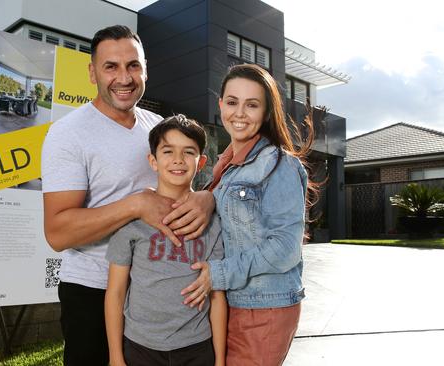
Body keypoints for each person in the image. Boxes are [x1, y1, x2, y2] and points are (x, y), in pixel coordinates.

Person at [41, 25, 215, 366]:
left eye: (133, 65)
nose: (124, 77)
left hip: (153, 293)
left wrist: (207, 199)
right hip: (93, 291)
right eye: (111, 66)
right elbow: (58, 233)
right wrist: (136, 204)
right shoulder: (67, 134)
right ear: (92, 73)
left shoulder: (159, 127)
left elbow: (187, 188)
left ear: (146, 69)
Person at [181, 63, 317, 366]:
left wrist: (218, 274)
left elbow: (286, 248)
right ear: (220, 105)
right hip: (231, 304)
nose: (239, 113)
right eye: (232, 102)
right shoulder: (226, 165)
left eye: (251, 105)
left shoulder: (278, 164)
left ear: (267, 112)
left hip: (263, 307)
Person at [105, 115, 227, 366]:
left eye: (188, 152)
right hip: (140, 346)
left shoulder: (213, 223)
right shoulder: (132, 220)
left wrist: (220, 360)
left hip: (197, 346)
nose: (178, 160)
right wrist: (116, 357)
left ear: (201, 162)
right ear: (153, 161)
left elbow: (217, 296)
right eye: (168, 151)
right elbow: (115, 292)